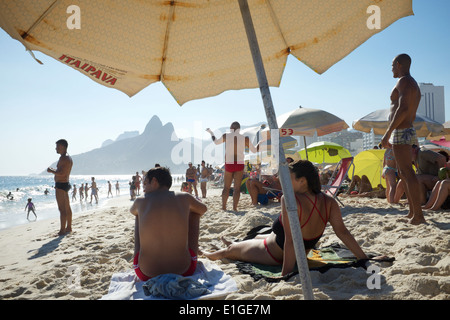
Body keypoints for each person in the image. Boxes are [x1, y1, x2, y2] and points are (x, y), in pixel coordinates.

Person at [204, 160, 379, 275]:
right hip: (297, 248)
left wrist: (286, 273)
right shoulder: (329, 201)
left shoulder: (290, 199)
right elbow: (343, 233)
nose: (285, 182)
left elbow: (290, 240)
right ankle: (235, 243)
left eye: (289, 178)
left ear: (302, 181)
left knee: (230, 252)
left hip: (274, 252)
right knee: (257, 235)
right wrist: (363, 258)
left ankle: (209, 253)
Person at [130, 167, 207, 280]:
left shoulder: (140, 201)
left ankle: (139, 256)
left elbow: (132, 211)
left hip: (145, 273)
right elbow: (203, 209)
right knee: (195, 213)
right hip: (185, 270)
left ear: (154, 181)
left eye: (145, 183)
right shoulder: (185, 197)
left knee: (138, 215)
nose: (143, 188)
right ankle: (189, 251)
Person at [380, 54, 425, 224]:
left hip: (401, 129)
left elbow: (403, 107)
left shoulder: (404, 81)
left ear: (399, 64)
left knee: (407, 172)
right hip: (405, 129)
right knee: (404, 173)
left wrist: (387, 132)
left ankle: (418, 215)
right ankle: (413, 212)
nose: (391, 69)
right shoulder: (412, 83)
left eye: (392, 65)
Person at [206, 121, 261, 211]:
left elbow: (216, 142)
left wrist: (211, 132)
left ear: (231, 128)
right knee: (237, 188)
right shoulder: (244, 139)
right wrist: (260, 142)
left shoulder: (226, 136)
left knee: (226, 187)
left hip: (229, 163)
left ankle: (224, 207)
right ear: (239, 129)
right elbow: (254, 150)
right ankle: (234, 208)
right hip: (239, 163)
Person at [47, 139, 73, 235]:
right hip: (65, 184)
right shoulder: (68, 158)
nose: (56, 148)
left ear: (62, 146)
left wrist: (51, 171)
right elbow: (62, 171)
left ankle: (62, 230)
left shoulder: (64, 158)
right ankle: (69, 227)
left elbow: (61, 173)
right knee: (67, 207)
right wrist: (53, 170)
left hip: (61, 185)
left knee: (62, 209)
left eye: (57, 146)